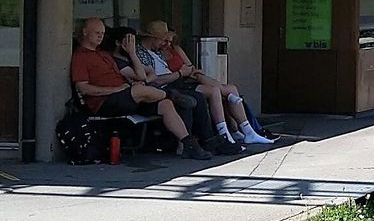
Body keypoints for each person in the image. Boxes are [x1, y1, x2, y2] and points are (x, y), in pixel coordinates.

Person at [69, 16, 208, 160]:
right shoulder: (80, 57)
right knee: (141, 91)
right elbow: (83, 88)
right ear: (85, 32)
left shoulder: (104, 54)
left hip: (125, 96)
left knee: (164, 104)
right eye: (97, 32)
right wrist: (115, 90)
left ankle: (189, 145)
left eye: (102, 33)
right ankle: (170, 94)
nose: (100, 36)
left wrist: (132, 56)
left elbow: (140, 76)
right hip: (104, 101)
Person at [140, 20, 275, 148]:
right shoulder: (152, 53)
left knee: (229, 88)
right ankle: (227, 132)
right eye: (165, 40)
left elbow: (188, 66)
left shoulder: (164, 51)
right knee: (215, 92)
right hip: (176, 82)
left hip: (186, 77)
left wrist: (189, 71)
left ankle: (246, 130)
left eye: (169, 40)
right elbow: (157, 78)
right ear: (155, 38)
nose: (167, 44)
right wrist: (182, 73)